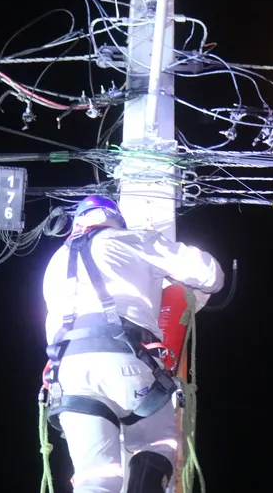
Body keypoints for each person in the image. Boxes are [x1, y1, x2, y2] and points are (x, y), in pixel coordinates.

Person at [41, 195, 224, 493]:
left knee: (94, 478)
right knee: (156, 445)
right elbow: (210, 274)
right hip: (125, 356)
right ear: (115, 219)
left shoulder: (54, 262)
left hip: (68, 373)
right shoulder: (130, 239)